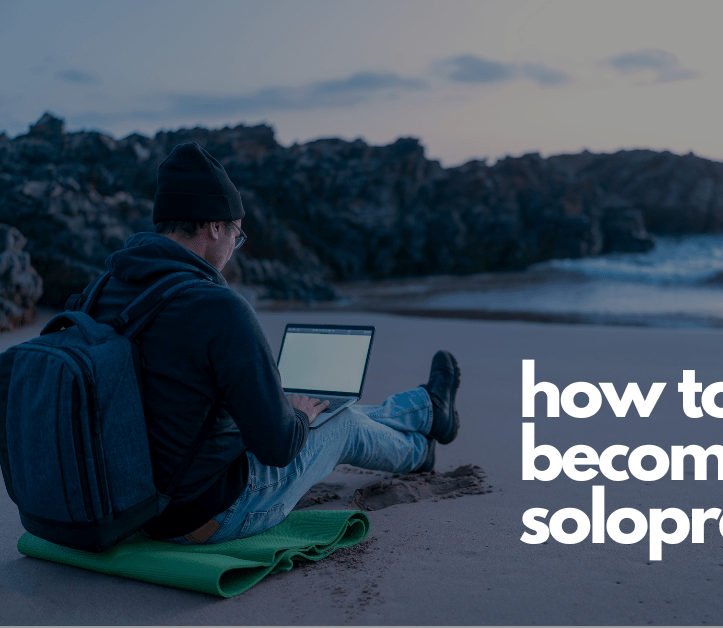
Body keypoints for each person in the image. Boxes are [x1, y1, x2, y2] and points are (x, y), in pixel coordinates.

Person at [86, 142, 460, 544]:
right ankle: (420, 452)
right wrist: (297, 417)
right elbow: (279, 448)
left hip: (124, 501)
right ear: (215, 226)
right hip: (201, 516)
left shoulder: (104, 292)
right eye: (236, 234)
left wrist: (292, 411)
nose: (234, 248)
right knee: (340, 421)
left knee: (311, 408)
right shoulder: (217, 307)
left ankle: (424, 410)